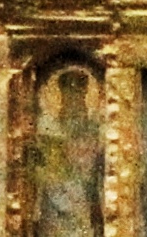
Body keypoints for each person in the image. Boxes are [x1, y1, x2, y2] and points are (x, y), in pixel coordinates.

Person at [34, 66, 103, 237]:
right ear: (62, 101)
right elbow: (46, 178)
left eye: (78, 98)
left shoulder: (93, 133)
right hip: (55, 214)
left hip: (84, 212)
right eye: (69, 98)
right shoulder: (50, 135)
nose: (74, 104)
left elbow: (97, 180)